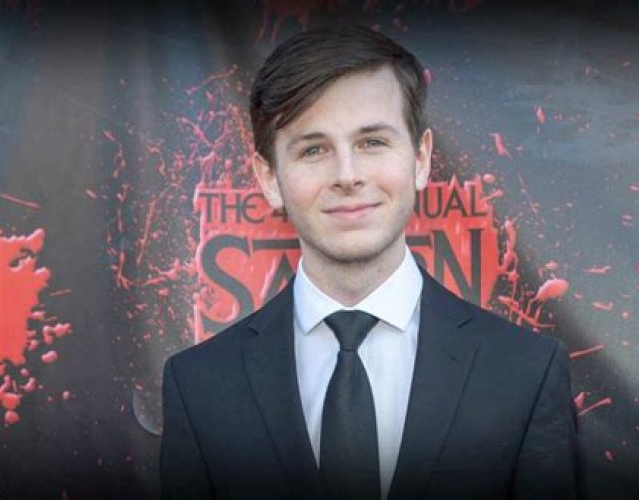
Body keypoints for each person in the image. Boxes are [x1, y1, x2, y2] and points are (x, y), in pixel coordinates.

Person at [160, 24, 580, 500]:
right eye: (314, 149)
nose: (347, 175)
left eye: (372, 142)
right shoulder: (199, 386)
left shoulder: (526, 372)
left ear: (421, 158)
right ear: (269, 178)